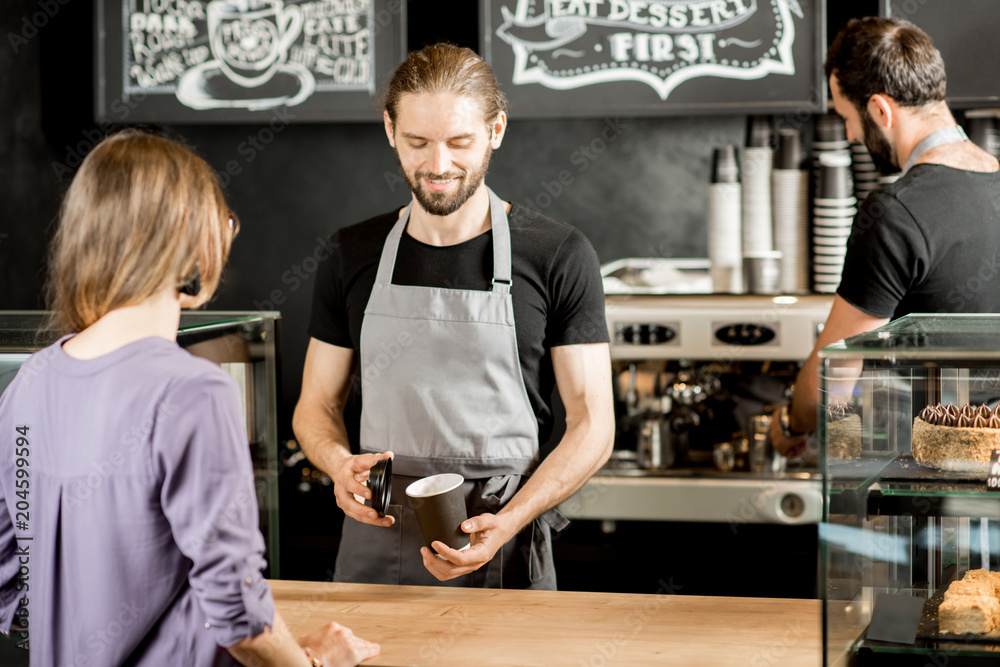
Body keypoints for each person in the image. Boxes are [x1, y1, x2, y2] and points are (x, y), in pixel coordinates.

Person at [0, 129, 379, 666]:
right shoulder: (193, 391)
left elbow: (10, 584)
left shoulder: (28, 384)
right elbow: (241, 621)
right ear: (191, 240)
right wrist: (314, 662)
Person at [293, 43, 614, 589]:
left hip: (502, 531)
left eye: (459, 142)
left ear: (496, 130)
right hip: (381, 531)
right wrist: (336, 463)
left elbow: (593, 424)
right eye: (417, 142)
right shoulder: (353, 252)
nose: (438, 166)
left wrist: (512, 519)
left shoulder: (557, 253)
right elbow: (316, 405)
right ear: (390, 129)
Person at [770, 17, 1000, 454]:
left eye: (847, 118)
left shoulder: (893, 214)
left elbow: (832, 379)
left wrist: (790, 423)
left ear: (880, 110)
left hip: (928, 485)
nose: (851, 135)